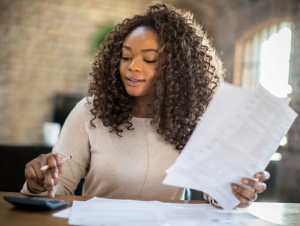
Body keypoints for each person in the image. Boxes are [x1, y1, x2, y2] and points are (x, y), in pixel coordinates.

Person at [22, 3, 269, 208]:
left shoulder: (194, 120)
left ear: (178, 70)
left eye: (149, 59)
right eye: (126, 56)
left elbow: (215, 195)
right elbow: (57, 190)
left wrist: (235, 194)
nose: (133, 67)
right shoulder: (89, 113)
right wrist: (37, 184)